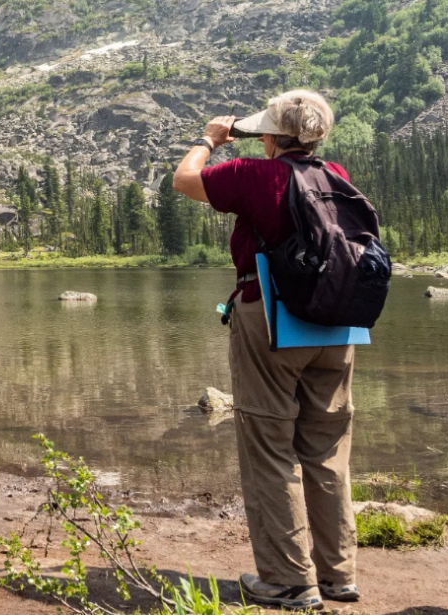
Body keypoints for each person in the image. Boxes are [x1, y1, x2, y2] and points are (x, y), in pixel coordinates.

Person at [172, 90, 359, 611]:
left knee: (269, 443)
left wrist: (211, 139)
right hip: (339, 325)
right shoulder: (338, 176)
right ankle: (337, 575)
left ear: (273, 137)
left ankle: (286, 581)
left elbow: (184, 180)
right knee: (326, 449)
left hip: (272, 320)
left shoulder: (256, 176)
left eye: (265, 133)